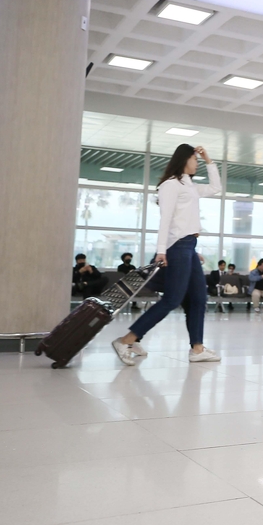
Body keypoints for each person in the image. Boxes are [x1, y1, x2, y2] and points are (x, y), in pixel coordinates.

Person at [111, 144, 222, 366]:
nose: (197, 163)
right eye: (195, 159)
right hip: (177, 247)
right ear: (184, 160)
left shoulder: (189, 185)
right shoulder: (171, 185)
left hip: (188, 246)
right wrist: (162, 251)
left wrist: (209, 160)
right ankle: (126, 340)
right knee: (172, 299)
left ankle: (197, 349)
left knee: (199, 298)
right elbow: (166, 220)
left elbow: (215, 188)